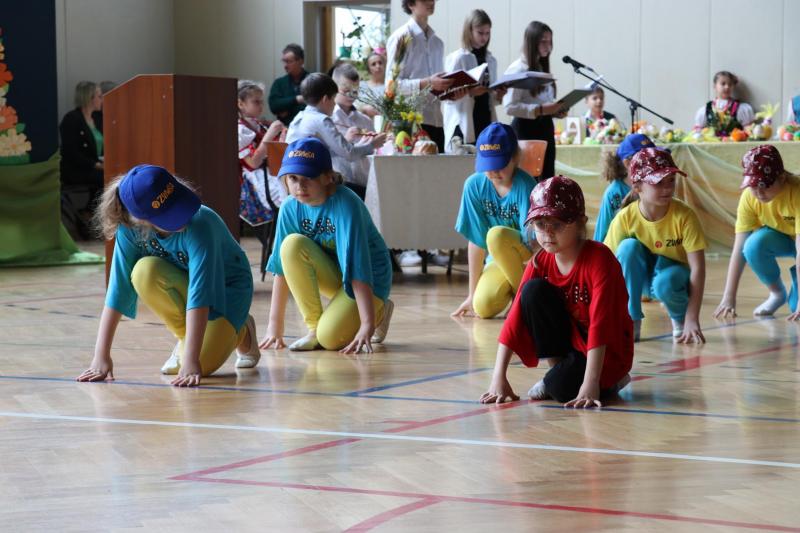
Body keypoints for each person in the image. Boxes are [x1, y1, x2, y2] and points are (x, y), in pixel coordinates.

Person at [76, 165, 260, 388]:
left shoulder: (200, 224)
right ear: (139, 219)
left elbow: (200, 293)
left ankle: (242, 331)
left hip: (227, 290)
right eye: (167, 214)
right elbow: (118, 289)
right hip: (187, 284)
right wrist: (101, 356)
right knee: (144, 270)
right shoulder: (129, 229)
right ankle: (188, 339)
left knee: (202, 364)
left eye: (177, 205)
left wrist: (191, 360)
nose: (180, 216)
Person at [479, 176, 633, 406]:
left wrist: (591, 383)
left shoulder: (600, 260)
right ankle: (559, 371)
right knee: (532, 291)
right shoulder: (540, 262)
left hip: (608, 351)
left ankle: (610, 380)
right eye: (540, 224)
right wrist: (498, 377)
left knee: (561, 390)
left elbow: (601, 325)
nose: (548, 233)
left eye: (558, 224)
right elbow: (515, 317)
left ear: (580, 223)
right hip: (574, 347)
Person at [259, 138, 394, 353]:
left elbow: (358, 265)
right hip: (336, 275)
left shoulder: (346, 204)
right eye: (293, 178)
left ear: (327, 177)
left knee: (330, 339)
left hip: (370, 278)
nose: (300, 186)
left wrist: (367, 324)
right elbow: (281, 269)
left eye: (308, 178)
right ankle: (313, 329)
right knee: (291, 245)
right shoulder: (290, 207)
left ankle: (379, 311)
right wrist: (274, 326)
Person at [604, 148, 707, 343]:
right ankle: (631, 319)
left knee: (664, 283)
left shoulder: (685, 216)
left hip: (674, 281)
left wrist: (692, 318)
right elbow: (606, 265)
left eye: (671, 181)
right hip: (642, 281)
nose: (667, 188)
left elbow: (698, 268)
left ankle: (679, 318)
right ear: (637, 186)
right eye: (658, 183)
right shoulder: (625, 218)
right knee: (627, 248)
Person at [452, 123, 537, 319]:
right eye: (487, 166)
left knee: (496, 234)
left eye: (499, 165)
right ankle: (518, 293)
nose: (492, 172)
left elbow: (534, 243)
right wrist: (471, 294)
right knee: (483, 307)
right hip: (497, 259)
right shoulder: (473, 185)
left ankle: (522, 298)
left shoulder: (526, 185)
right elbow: (476, 241)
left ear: (515, 157)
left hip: (526, 258)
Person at [714, 145, 800, 320]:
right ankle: (777, 293)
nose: (759, 193)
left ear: (782, 178)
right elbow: (739, 249)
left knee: (795, 307)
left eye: (765, 185)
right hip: (786, 238)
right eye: (753, 186)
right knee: (752, 245)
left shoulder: (797, 192)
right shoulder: (749, 197)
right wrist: (729, 296)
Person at [286, 73, 386, 200]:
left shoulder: (299, 117)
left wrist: (357, 145)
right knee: (370, 193)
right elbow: (349, 154)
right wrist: (372, 145)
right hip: (313, 183)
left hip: (293, 182)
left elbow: (323, 152)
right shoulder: (322, 120)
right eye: (333, 99)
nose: (334, 104)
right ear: (325, 99)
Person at [386, 0, 461, 152]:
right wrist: (428, 82)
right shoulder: (402, 38)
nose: (431, 2)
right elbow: (391, 86)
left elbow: (436, 85)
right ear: (411, 4)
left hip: (436, 120)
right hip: (409, 123)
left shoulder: (437, 43)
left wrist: (449, 93)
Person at [503, 20, 565, 179]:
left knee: (546, 179)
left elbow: (542, 101)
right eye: (543, 41)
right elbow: (509, 106)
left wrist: (555, 111)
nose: (548, 46)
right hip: (526, 130)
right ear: (532, 42)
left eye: (550, 41)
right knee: (527, 180)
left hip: (544, 128)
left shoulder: (541, 67)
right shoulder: (518, 69)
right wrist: (541, 110)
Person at [442, 9, 507, 153]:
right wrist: (470, 93)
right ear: (469, 31)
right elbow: (447, 98)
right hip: (464, 122)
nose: (484, 37)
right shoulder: (458, 58)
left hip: (485, 119)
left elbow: (489, 97)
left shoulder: (491, 60)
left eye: (487, 33)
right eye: (480, 33)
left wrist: (498, 95)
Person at [237, 80, 286, 226]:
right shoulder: (239, 130)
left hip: (270, 171)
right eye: (256, 102)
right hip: (255, 180)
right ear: (240, 104)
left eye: (261, 102)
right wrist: (270, 134)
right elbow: (253, 163)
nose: (261, 106)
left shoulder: (258, 124)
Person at [593, 133, 655, 243]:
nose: (653, 163)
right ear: (627, 163)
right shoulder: (614, 193)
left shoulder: (657, 186)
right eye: (646, 160)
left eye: (653, 158)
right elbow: (601, 234)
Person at [331, 63, 377, 200]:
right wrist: (345, 140)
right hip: (338, 185)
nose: (351, 96)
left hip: (364, 183)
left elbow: (374, 152)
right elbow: (323, 153)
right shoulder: (327, 119)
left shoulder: (365, 120)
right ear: (334, 88)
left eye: (355, 92)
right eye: (346, 91)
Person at [59, 81, 105, 200]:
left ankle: (94, 207)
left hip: (95, 166)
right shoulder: (71, 119)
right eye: (99, 96)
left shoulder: (97, 118)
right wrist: (96, 165)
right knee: (107, 178)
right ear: (89, 98)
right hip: (77, 169)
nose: (102, 100)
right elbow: (71, 152)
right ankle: (95, 208)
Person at [693, 71, 754, 137]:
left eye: (730, 84)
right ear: (715, 86)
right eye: (723, 84)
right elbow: (698, 132)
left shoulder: (740, 108)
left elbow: (748, 130)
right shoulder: (706, 109)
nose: (727, 87)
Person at [269, 43, 309, 126]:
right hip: (285, 129)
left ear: (301, 61)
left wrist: (287, 109)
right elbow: (274, 106)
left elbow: (315, 107)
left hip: (307, 127)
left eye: (289, 62)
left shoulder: (312, 81)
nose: (285, 66)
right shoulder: (279, 83)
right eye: (284, 61)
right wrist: (297, 99)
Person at [358, 50, 386, 119]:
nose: (378, 66)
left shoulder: (390, 86)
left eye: (380, 63)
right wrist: (363, 108)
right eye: (373, 64)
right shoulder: (361, 85)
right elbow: (351, 106)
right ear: (369, 69)